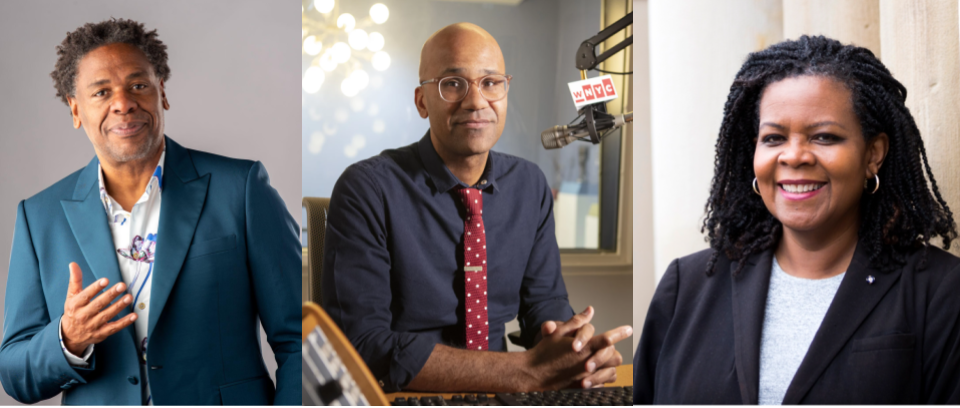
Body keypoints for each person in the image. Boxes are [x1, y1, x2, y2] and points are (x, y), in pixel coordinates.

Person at [633, 35, 960, 404]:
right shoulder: (687, 288)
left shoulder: (940, 292)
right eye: (773, 138)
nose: (794, 156)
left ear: (873, 154)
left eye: (824, 136)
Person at [0, 19, 300, 405]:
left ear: (162, 92)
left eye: (138, 85)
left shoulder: (240, 189)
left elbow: (301, 337)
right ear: (76, 110)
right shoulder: (39, 217)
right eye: (102, 92)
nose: (123, 103)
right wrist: (68, 338)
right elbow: (14, 374)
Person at [322, 22, 632, 393]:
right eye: (453, 84)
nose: (475, 101)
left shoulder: (529, 185)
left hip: (506, 395)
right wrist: (525, 371)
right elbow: (363, 346)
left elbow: (544, 304)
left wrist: (574, 350)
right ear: (422, 101)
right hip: (405, 396)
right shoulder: (367, 189)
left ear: (505, 92)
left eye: (490, 83)